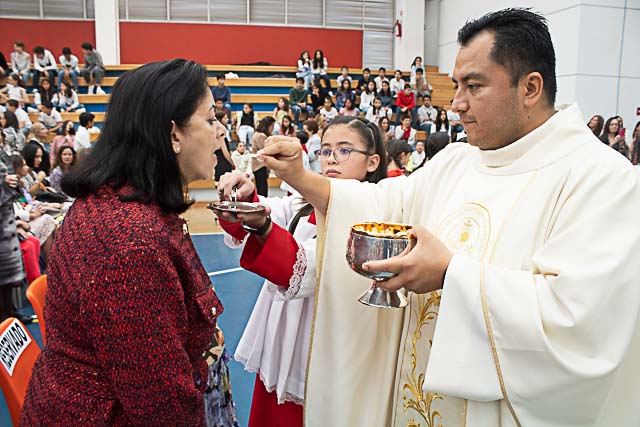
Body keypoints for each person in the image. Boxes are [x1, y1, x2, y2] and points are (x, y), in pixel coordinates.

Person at [254, 8, 640, 426]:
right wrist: (300, 176)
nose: (456, 104)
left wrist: (452, 275)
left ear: (530, 87)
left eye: (474, 87)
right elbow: (388, 204)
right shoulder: (459, 159)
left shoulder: (601, 179)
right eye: (456, 86)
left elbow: (579, 322)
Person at [20, 59, 239, 426]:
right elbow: (163, 409)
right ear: (173, 135)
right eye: (211, 118)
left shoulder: (120, 201)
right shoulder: (131, 247)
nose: (220, 132)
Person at [215, 116, 387, 427]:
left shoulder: (373, 217)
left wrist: (263, 227)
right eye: (325, 150)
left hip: (327, 343)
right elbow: (268, 209)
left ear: (372, 162)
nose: (332, 158)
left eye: (345, 150)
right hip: (282, 345)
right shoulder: (301, 205)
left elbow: (309, 270)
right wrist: (243, 197)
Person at [0, 144, 28, 324]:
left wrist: (13, 182)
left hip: (6, 220)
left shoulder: (2, 152)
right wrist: (4, 181)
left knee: (8, 277)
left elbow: (10, 179)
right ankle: (3, 318)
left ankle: (10, 312)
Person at [251, 116, 276, 197]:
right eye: (272, 126)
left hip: (259, 165)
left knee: (261, 188)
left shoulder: (258, 134)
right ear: (268, 125)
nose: (273, 128)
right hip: (260, 165)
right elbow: (265, 151)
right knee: (262, 190)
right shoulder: (261, 136)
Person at [214, 111, 235, 182]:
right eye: (225, 118)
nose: (227, 119)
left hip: (218, 163)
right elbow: (225, 152)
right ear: (220, 120)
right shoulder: (220, 134)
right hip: (223, 164)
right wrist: (232, 163)